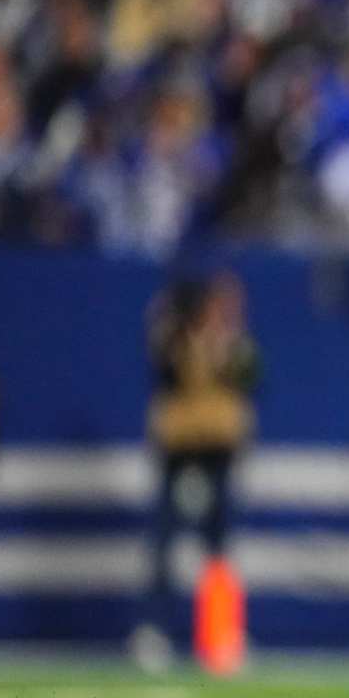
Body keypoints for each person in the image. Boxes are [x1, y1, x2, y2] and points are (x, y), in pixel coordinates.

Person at [133, 270, 259, 674]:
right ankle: (155, 628)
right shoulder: (176, 340)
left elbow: (252, 378)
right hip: (180, 450)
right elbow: (163, 370)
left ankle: (221, 633)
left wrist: (226, 347)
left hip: (217, 451)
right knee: (164, 545)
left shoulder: (236, 344)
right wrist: (170, 327)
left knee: (218, 550)